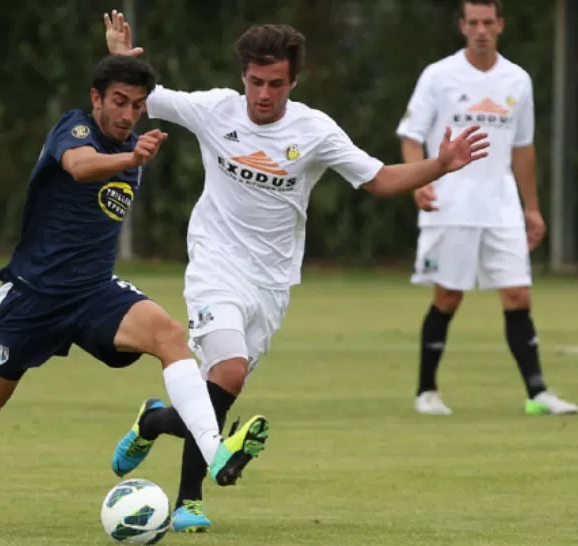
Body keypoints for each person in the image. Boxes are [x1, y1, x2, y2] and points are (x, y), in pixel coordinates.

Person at [103, 11, 491, 533]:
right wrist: (124, 61)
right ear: (243, 76)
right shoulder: (213, 109)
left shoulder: (314, 130)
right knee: (229, 370)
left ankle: (154, 419)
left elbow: (377, 179)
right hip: (214, 263)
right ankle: (188, 502)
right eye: (257, 82)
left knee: (217, 392)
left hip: (272, 282)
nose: (265, 94)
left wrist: (440, 165)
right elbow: (140, 97)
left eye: (277, 84)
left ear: (293, 81)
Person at [0, 55, 271, 529]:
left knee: (168, 334)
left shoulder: (134, 149)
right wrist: (131, 158)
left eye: (137, 105)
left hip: (93, 295)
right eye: (118, 101)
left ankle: (215, 452)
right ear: (96, 99)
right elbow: (80, 167)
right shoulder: (77, 130)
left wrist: (132, 146)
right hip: (31, 298)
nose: (127, 114)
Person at [397, 0, 578, 416]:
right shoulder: (439, 76)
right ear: (463, 26)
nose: (481, 29)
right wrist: (416, 180)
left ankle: (537, 393)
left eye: (488, 22)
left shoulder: (518, 79)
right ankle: (426, 392)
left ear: (500, 25)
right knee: (448, 295)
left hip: (502, 207)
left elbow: (523, 148)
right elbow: (411, 134)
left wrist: (531, 208)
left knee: (517, 293)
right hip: (450, 204)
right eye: (473, 22)